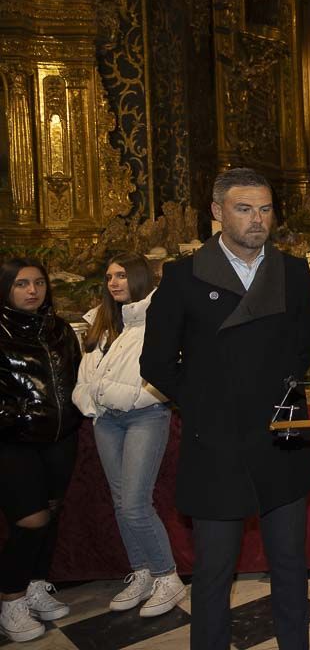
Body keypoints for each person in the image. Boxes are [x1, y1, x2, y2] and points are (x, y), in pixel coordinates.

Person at [141, 168, 310, 650]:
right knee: (214, 575)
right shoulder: (183, 277)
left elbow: (306, 347)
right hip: (215, 445)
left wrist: (275, 394)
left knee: (290, 567)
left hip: (281, 436)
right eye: (244, 209)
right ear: (217, 213)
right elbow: (156, 361)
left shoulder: (293, 272)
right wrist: (206, 404)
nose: (257, 219)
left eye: (265, 209)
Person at [73, 253, 186, 617]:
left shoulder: (159, 317)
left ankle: (168, 577)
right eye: (108, 277)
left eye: (121, 275)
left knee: (136, 503)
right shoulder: (100, 321)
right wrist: (92, 401)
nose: (114, 283)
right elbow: (84, 376)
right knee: (121, 502)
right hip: (106, 420)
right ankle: (143, 572)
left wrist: (123, 396)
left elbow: (167, 372)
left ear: (138, 277)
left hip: (146, 416)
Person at [0, 259, 82, 643]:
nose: (32, 290)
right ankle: (11, 599)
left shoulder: (60, 329)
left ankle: (35, 585)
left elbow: (74, 377)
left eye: (38, 283)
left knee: (50, 514)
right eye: (21, 284)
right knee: (30, 520)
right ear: (6, 289)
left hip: (61, 439)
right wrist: (20, 416)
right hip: (13, 442)